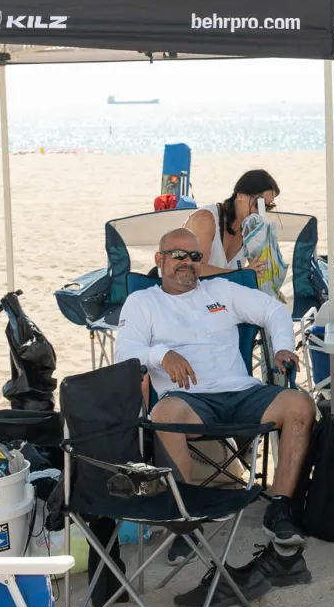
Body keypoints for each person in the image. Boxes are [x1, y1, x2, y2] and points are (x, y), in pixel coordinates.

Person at [115, 228, 314, 555]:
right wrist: (161, 355)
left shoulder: (220, 289)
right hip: (190, 403)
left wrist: (281, 347)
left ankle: (279, 507)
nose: (187, 262)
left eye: (195, 256)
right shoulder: (142, 302)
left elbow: (274, 310)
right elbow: (125, 354)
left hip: (241, 393)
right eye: (178, 255)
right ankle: (184, 518)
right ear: (159, 259)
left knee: (300, 405)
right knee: (163, 413)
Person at [187, 169, 280, 276]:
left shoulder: (251, 229)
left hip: (222, 291)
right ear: (240, 196)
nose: (261, 213)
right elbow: (196, 268)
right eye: (259, 204)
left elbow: (260, 269)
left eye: (267, 207)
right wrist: (242, 273)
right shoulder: (205, 219)